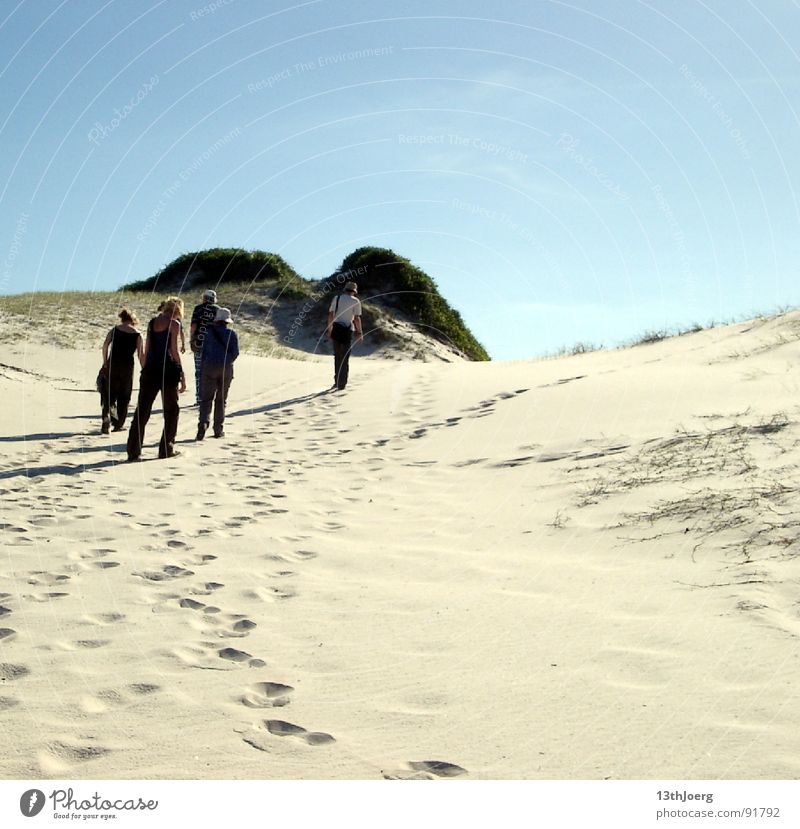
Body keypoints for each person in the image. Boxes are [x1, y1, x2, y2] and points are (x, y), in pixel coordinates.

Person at [126, 297, 187, 461]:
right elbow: (174, 351)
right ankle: (166, 449)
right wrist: (182, 373)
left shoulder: (152, 322)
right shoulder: (174, 324)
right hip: (168, 371)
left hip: (150, 370)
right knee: (172, 411)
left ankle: (133, 450)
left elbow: (147, 349)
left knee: (142, 411)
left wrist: (145, 369)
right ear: (177, 311)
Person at [196, 308, 239, 440]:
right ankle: (218, 429)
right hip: (225, 367)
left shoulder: (208, 333)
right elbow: (235, 352)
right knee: (221, 400)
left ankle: (203, 424)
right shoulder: (232, 334)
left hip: (209, 366)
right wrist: (227, 361)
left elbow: (202, 351)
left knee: (206, 399)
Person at [100, 309, 144, 434]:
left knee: (109, 393)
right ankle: (118, 424)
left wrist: (105, 362)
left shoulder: (115, 330)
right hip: (127, 366)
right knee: (124, 395)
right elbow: (141, 355)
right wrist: (144, 369)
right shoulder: (137, 334)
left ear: (122, 318)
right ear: (133, 320)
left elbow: (105, 345)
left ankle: (107, 416)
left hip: (113, 363)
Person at [326, 281, 363, 390]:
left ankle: (336, 381)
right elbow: (356, 318)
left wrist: (329, 329)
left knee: (337, 356)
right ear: (354, 291)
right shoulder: (356, 301)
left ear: (345, 289)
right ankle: (342, 383)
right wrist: (360, 332)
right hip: (347, 330)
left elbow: (331, 315)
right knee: (345, 358)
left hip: (336, 329)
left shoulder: (336, 298)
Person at [190, 289, 220, 404]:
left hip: (199, 343)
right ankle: (209, 397)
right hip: (213, 345)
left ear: (204, 298)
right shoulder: (217, 310)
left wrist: (191, 339)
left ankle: (199, 398)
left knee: (199, 371)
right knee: (211, 371)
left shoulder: (198, 309)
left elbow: (194, 325)